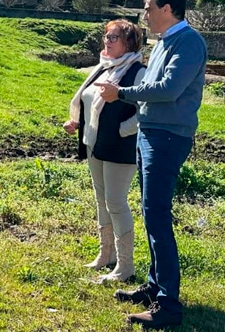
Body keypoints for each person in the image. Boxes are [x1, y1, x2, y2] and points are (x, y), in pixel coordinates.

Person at [96, 0, 207, 329]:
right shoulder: (163, 43)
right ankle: (155, 286)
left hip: (168, 137)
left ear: (168, 9)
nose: (144, 15)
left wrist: (121, 93)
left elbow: (169, 89)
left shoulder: (188, 43)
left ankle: (168, 305)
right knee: (150, 213)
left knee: (157, 217)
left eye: (148, 8)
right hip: (150, 133)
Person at [62, 19, 145, 283]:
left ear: (129, 42)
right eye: (106, 36)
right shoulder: (102, 68)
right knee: (102, 201)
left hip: (120, 147)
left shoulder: (138, 72)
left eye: (113, 37)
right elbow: (90, 102)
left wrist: (121, 130)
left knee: (116, 203)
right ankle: (106, 254)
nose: (107, 42)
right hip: (94, 144)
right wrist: (77, 122)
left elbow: (147, 112)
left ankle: (125, 266)